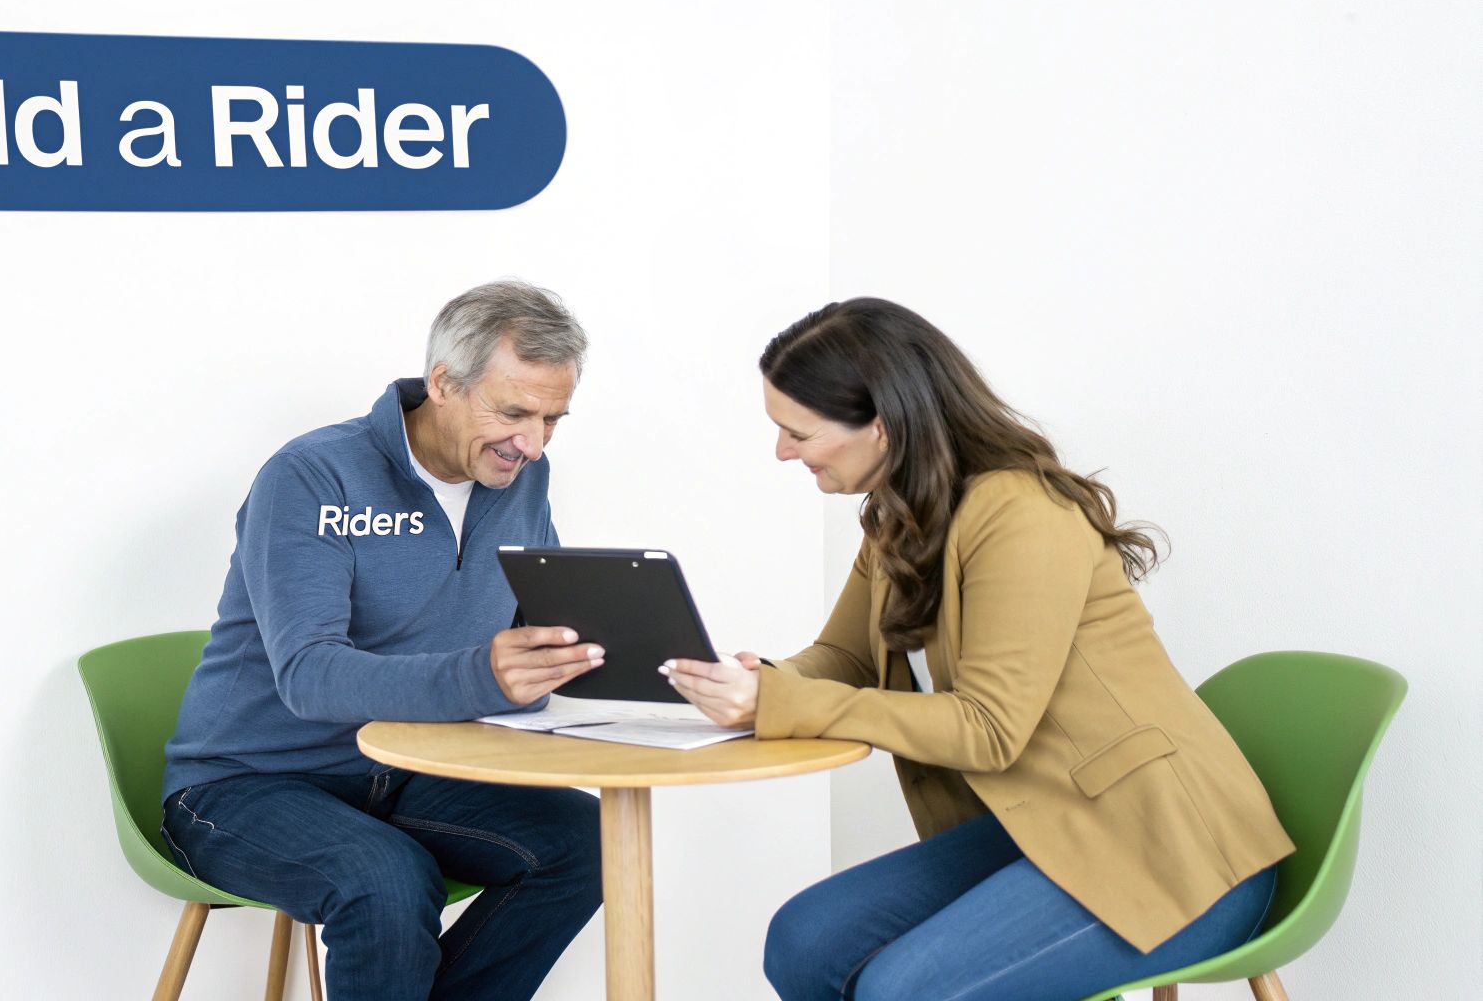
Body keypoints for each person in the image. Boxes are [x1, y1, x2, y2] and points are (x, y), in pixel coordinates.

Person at [662, 298, 1294, 1001]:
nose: (782, 451)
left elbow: (990, 730)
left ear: (881, 424)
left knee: (903, 993)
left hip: (1166, 849)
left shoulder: (1023, 513)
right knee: (805, 942)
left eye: (796, 432)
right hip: (1045, 821)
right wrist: (759, 680)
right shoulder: (898, 515)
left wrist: (783, 702)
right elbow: (842, 657)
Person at [160, 281, 605, 1001]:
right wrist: (485, 676)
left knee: (589, 843)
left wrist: (603, 658)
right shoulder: (312, 475)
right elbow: (309, 676)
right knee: (386, 880)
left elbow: (531, 626)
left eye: (554, 418)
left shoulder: (522, 475)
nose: (533, 441)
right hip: (249, 781)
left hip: (411, 768)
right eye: (515, 411)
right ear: (442, 383)